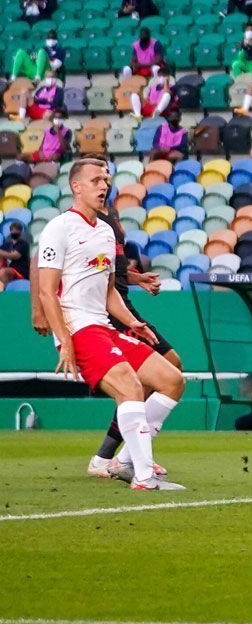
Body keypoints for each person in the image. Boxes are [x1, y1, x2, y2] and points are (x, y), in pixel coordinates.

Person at [35, 157, 186, 490]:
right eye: (95, 180)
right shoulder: (59, 228)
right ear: (76, 187)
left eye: (106, 179)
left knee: (172, 380)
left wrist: (134, 323)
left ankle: (126, 460)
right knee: (130, 388)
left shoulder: (105, 230)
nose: (104, 185)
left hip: (103, 325)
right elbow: (47, 292)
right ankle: (143, 477)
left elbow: (108, 292)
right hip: (78, 328)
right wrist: (65, 341)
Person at [79, 200, 183, 480]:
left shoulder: (108, 216)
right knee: (142, 382)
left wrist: (136, 279)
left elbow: (112, 270)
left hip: (124, 304)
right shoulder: (81, 222)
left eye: (105, 175)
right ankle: (112, 458)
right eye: (98, 175)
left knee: (171, 367)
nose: (103, 181)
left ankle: (122, 456)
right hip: (108, 312)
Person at [0, 220, 30, 284]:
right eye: (13, 230)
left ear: (20, 232)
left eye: (17, 230)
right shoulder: (7, 244)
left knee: (3, 272)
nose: (14, 232)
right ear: (10, 231)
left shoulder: (24, 244)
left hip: (20, 271)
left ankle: (7, 292)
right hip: (9, 269)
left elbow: (14, 256)